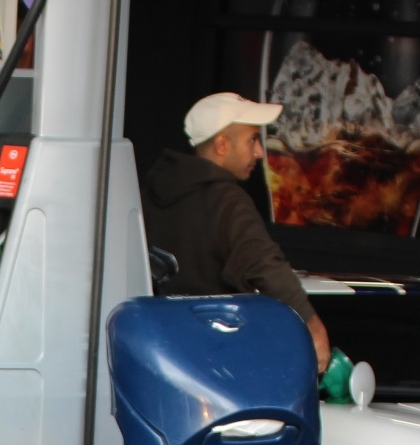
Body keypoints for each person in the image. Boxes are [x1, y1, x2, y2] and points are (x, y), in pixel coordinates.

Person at [142, 91, 331, 373]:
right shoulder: (226, 200)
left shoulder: (154, 191)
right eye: (252, 140)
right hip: (218, 363)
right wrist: (313, 327)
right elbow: (265, 264)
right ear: (221, 145)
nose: (259, 152)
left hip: (160, 355)